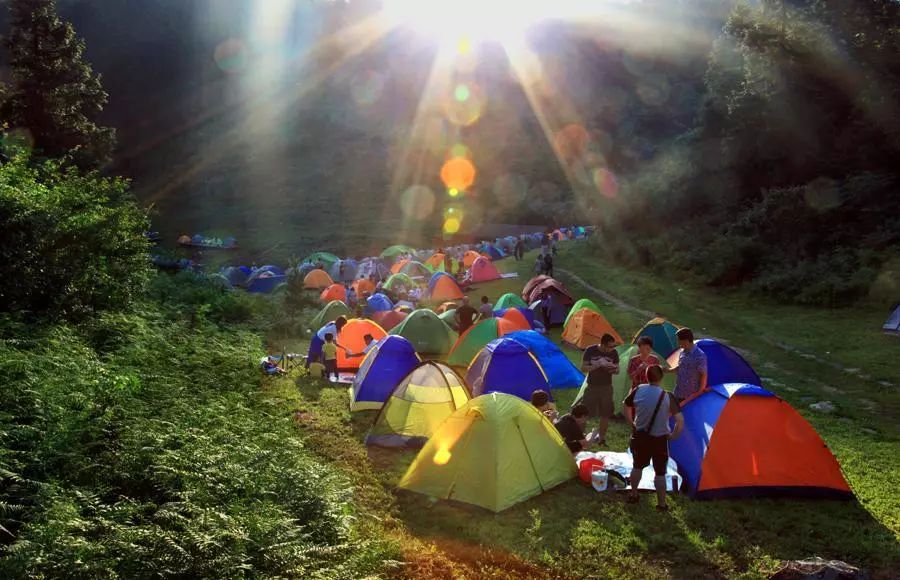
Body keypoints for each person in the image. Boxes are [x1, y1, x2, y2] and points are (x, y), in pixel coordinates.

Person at [623, 365, 684, 511]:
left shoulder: (639, 389)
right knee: (660, 473)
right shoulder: (668, 396)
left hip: (640, 436)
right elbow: (680, 420)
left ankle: (633, 493)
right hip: (660, 439)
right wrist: (673, 435)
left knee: (637, 466)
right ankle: (661, 504)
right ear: (662, 377)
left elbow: (625, 406)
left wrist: (632, 423)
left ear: (646, 375)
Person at [580, 333, 619, 446]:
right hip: (592, 386)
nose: (612, 349)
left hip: (606, 387)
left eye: (613, 346)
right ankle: (581, 437)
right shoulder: (590, 350)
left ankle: (602, 439)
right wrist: (597, 365)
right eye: (610, 346)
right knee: (584, 412)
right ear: (603, 345)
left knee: (605, 414)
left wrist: (611, 368)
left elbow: (617, 370)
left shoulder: (614, 353)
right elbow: (583, 368)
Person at [669, 328, 708, 404]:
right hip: (678, 392)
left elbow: (703, 374)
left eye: (679, 340)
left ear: (686, 340)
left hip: (690, 396)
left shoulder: (700, 355)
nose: (678, 343)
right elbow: (680, 367)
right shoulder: (682, 352)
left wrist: (700, 392)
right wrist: (668, 370)